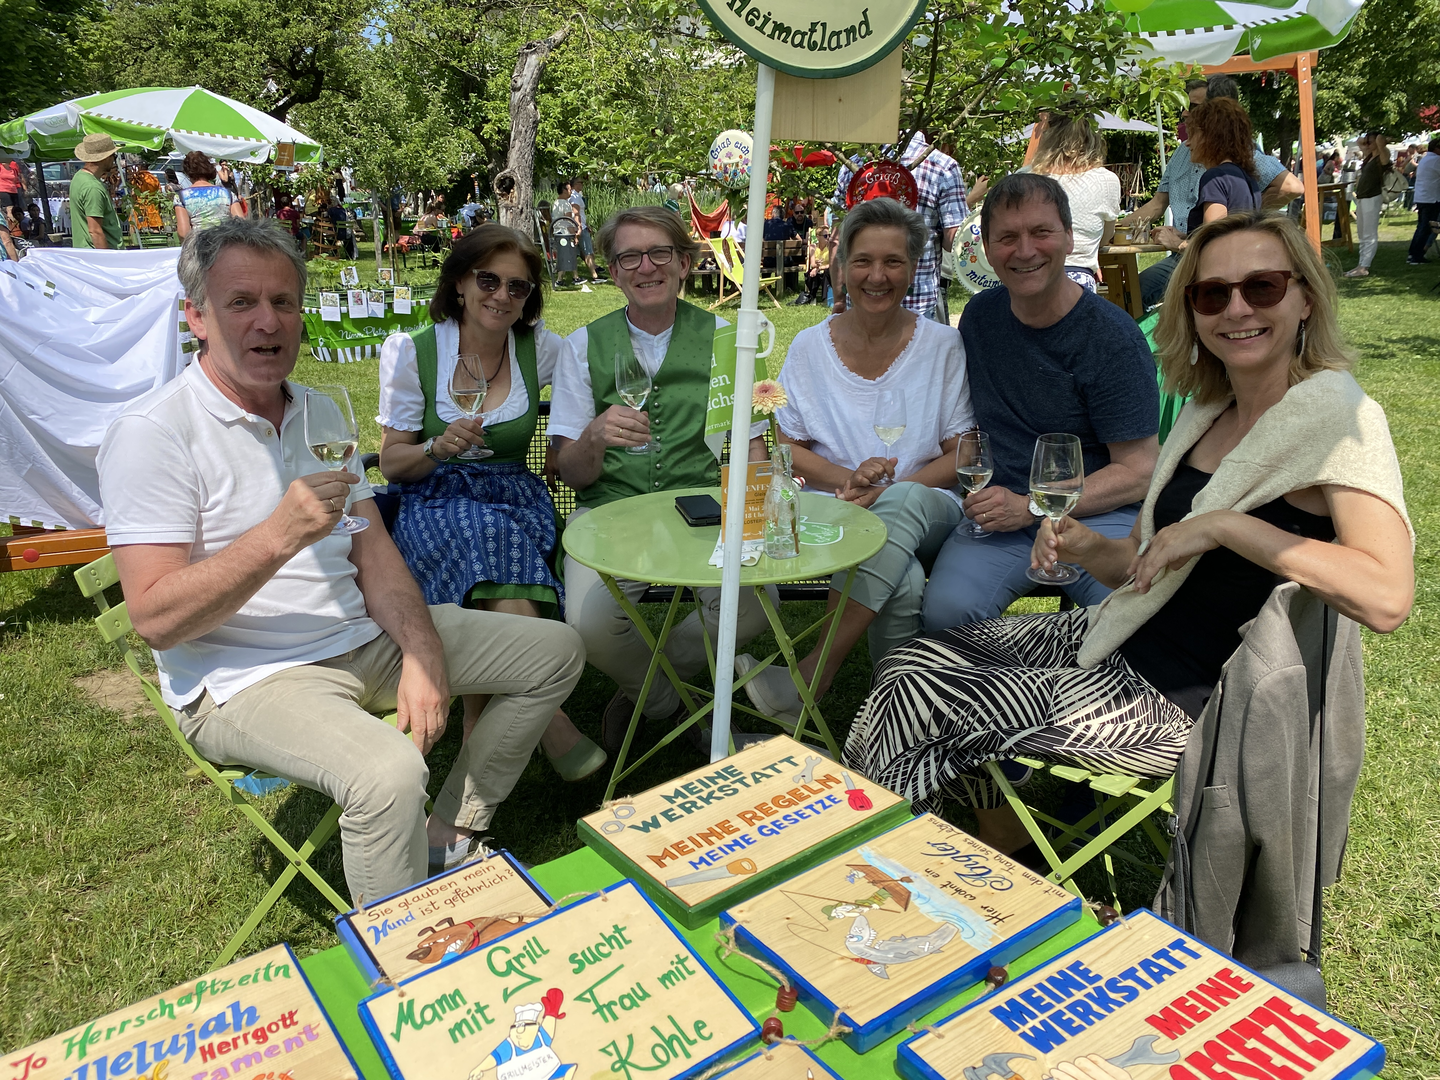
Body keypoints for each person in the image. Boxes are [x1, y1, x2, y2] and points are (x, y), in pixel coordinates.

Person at [846, 211, 1413, 857]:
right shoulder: (1209, 409)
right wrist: (1090, 548)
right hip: (1120, 631)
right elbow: (1140, 568)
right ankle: (1005, 848)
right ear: (1191, 310)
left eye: (1262, 287)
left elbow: (1387, 596)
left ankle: (877, 862)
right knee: (920, 656)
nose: (1235, 309)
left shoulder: (1339, 416)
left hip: (1188, 697)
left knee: (932, 695)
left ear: (1304, 297)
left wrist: (1224, 525)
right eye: (1211, 293)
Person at [96, 218, 585, 899]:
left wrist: (422, 652)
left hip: (359, 641)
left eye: (284, 302)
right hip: (246, 677)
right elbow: (154, 618)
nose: (268, 322)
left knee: (554, 650)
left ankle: (448, 836)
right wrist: (275, 536)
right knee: (388, 773)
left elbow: (375, 554)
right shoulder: (154, 435)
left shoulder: (319, 411)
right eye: (241, 303)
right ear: (196, 317)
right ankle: (403, 963)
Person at [377, 224, 606, 783]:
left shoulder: (543, 348)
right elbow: (390, 463)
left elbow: (588, 395)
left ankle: (481, 742)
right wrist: (435, 447)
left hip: (514, 496)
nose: (502, 296)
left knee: (492, 536)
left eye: (518, 287)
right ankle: (549, 726)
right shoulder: (413, 351)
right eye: (489, 280)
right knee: (478, 536)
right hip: (432, 498)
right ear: (459, 281)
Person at [735, 199, 974, 722]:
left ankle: (811, 677)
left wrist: (888, 491)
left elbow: (965, 451)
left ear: (913, 268)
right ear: (841, 265)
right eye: (863, 261)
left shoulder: (944, 345)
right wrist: (850, 479)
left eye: (893, 261)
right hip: (838, 511)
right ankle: (895, 718)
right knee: (904, 580)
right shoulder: (808, 348)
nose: (877, 275)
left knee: (905, 500)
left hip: (930, 504)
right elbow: (786, 447)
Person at [549, 205, 772, 752]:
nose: (645, 267)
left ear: (684, 264)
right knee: (587, 622)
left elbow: (756, 449)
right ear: (612, 269)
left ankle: (643, 690)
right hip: (609, 513)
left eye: (659, 253)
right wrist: (595, 436)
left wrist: (753, 527)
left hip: (702, 509)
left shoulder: (731, 339)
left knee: (751, 609)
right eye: (629, 256)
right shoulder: (582, 345)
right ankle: (677, 709)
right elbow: (567, 470)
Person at [921, 173, 1159, 630]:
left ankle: (1081, 700)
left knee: (1130, 615)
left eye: (1041, 232)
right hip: (995, 517)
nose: (1025, 250)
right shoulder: (979, 317)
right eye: (1007, 238)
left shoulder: (1111, 339)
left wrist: (1031, 505)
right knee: (947, 614)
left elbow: (1139, 472)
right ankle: (996, 702)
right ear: (987, 251)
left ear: (1070, 238)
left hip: (1099, 514)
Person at [1129, 77, 1301, 306]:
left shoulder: (1216, 176)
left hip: (1205, 265)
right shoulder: (1241, 172)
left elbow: (1214, 242)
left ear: (1214, 127)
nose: (1185, 114)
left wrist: (1178, 243)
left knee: (1132, 294)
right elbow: (1162, 206)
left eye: (1195, 109)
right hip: (1225, 264)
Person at [833, 132, 967, 324]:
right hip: (920, 304)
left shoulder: (852, 167)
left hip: (863, 301)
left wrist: (839, 297)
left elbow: (837, 240)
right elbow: (954, 241)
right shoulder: (942, 166)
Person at [1028, 113, 1121, 291]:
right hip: (1079, 279)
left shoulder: (1024, 177)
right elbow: (1105, 236)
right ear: (1093, 135)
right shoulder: (1106, 180)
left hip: (1029, 275)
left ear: (1048, 133)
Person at [1343, 132, 1390, 278]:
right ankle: (1360, 264)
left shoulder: (1382, 155)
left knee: (1369, 233)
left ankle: (1364, 266)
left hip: (1372, 197)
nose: (1367, 144)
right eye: (1367, 142)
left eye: (1370, 142)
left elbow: (1383, 152)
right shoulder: (1370, 156)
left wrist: (1379, 141)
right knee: (1362, 233)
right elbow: (1359, 141)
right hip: (1363, 197)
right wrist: (1366, 142)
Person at [173, 151, 245, 239]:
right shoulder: (228, 194)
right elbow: (241, 224)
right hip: (225, 245)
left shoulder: (181, 197)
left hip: (199, 246)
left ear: (188, 172)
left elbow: (184, 233)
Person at [70, 134, 123, 250]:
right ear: (105, 158)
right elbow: (95, 231)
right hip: (99, 257)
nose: (114, 160)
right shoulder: (92, 187)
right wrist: (106, 261)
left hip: (86, 254)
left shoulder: (79, 177)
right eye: (113, 156)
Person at [1407, 138, 1440, 264]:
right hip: (1431, 198)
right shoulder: (1436, 160)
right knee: (1425, 228)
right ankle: (1416, 256)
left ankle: (1413, 254)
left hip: (1423, 197)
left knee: (1421, 227)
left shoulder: (1426, 159)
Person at [568, 177, 604, 283]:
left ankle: (594, 270)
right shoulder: (574, 197)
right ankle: (595, 276)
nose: (582, 184)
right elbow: (576, 214)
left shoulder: (577, 196)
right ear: (574, 185)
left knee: (584, 252)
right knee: (588, 251)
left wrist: (586, 224)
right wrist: (579, 227)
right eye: (580, 183)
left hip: (582, 226)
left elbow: (581, 214)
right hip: (579, 228)